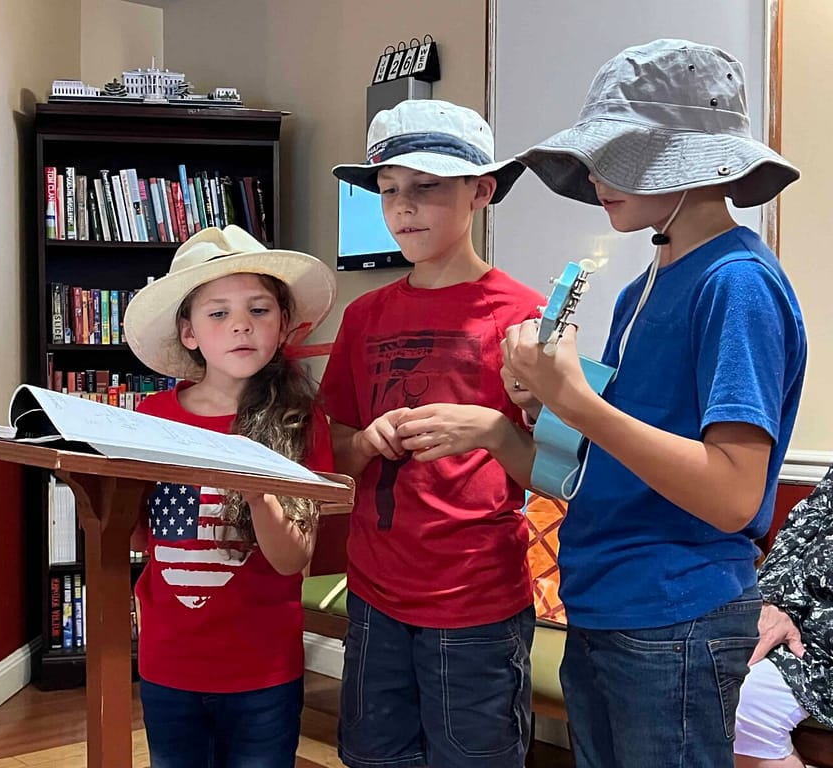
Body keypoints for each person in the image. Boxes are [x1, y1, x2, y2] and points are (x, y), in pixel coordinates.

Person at [501, 39, 806, 768]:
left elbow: (734, 494)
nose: (600, 175)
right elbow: (614, 461)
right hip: (609, 600)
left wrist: (576, 402)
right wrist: (537, 405)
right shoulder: (645, 285)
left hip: (675, 613)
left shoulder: (736, 284)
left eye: (625, 153)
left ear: (695, 159)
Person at [322, 98, 543, 768]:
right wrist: (364, 443)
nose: (403, 209)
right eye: (389, 191)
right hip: (375, 593)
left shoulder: (525, 315)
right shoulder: (364, 316)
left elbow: (558, 467)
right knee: (373, 754)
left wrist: (492, 429)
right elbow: (332, 444)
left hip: (476, 599)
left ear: (482, 191)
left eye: (426, 188)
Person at [122, 224, 337, 768]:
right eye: (218, 313)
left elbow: (293, 558)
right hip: (167, 663)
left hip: (262, 670)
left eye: (259, 309)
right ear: (189, 332)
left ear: (283, 324)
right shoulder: (151, 418)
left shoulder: (298, 420)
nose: (241, 324)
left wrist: (257, 488)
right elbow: (126, 530)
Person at [734, 465, 833, 768]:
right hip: (799, 611)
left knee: (748, 705)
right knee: (720, 677)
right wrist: (774, 602)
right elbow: (804, 523)